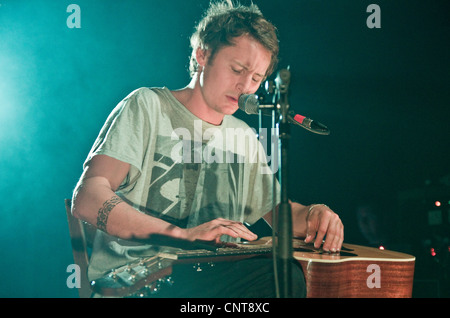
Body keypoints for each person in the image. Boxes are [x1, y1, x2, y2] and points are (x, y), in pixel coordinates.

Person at [71, 0, 343, 298]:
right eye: (237, 69)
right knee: (279, 279)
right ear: (203, 54)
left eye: (255, 78)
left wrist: (317, 213)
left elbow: (281, 215)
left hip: (207, 276)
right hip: (137, 280)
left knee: (292, 274)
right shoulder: (147, 106)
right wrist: (184, 235)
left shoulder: (243, 136)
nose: (245, 87)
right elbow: (87, 198)